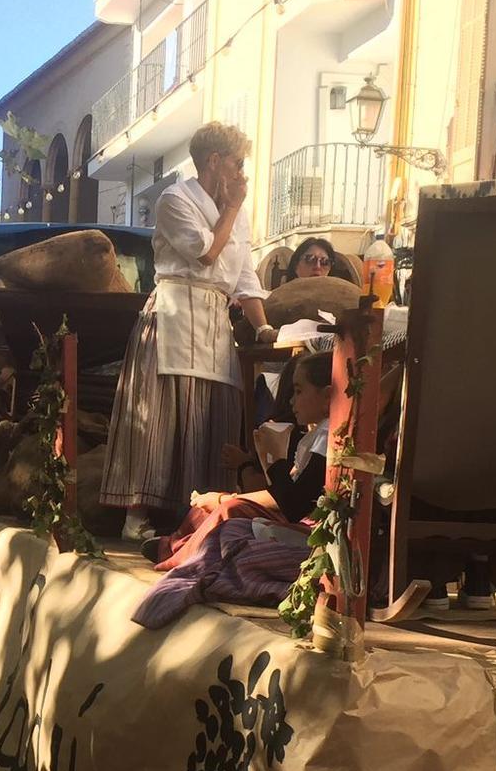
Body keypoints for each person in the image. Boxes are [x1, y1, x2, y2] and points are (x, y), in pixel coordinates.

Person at [99, 120, 272, 543]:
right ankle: (137, 515)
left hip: (214, 318)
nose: (242, 172)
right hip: (174, 313)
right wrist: (231, 209)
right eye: (237, 163)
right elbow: (206, 254)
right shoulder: (174, 199)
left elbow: (244, 276)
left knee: (213, 413)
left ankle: (198, 517)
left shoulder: (240, 216)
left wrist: (264, 326)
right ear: (214, 162)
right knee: (161, 416)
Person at [148, 350, 336, 572]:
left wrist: (271, 459)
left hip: (304, 526)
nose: (292, 401)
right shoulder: (313, 433)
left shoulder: (327, 437)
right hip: (285, 511)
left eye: (298, 391)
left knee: (231, 509)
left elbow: (291, 504)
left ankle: (181, 557)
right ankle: (176, 546)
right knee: (211, 508)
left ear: (327, 397)